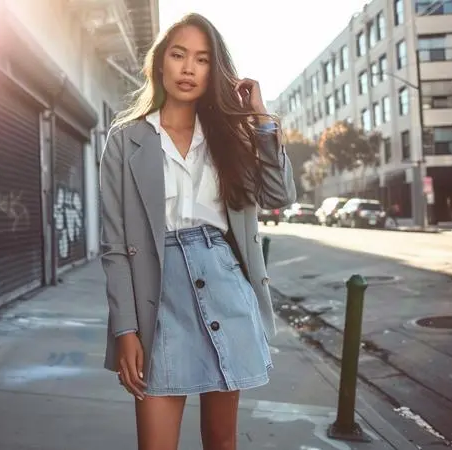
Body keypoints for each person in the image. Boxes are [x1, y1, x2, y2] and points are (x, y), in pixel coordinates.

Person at [98, 12, 296, 450]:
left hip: (225, 288)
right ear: (160, 63)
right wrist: (125, 328)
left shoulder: (232, 136)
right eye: (179, 55)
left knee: (221, 443)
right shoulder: (126, 140)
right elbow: (114, 246)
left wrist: (261, 118)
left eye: (202, 59)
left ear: (214, 70)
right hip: (159, 298)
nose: (188, 68)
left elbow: (280, 193)